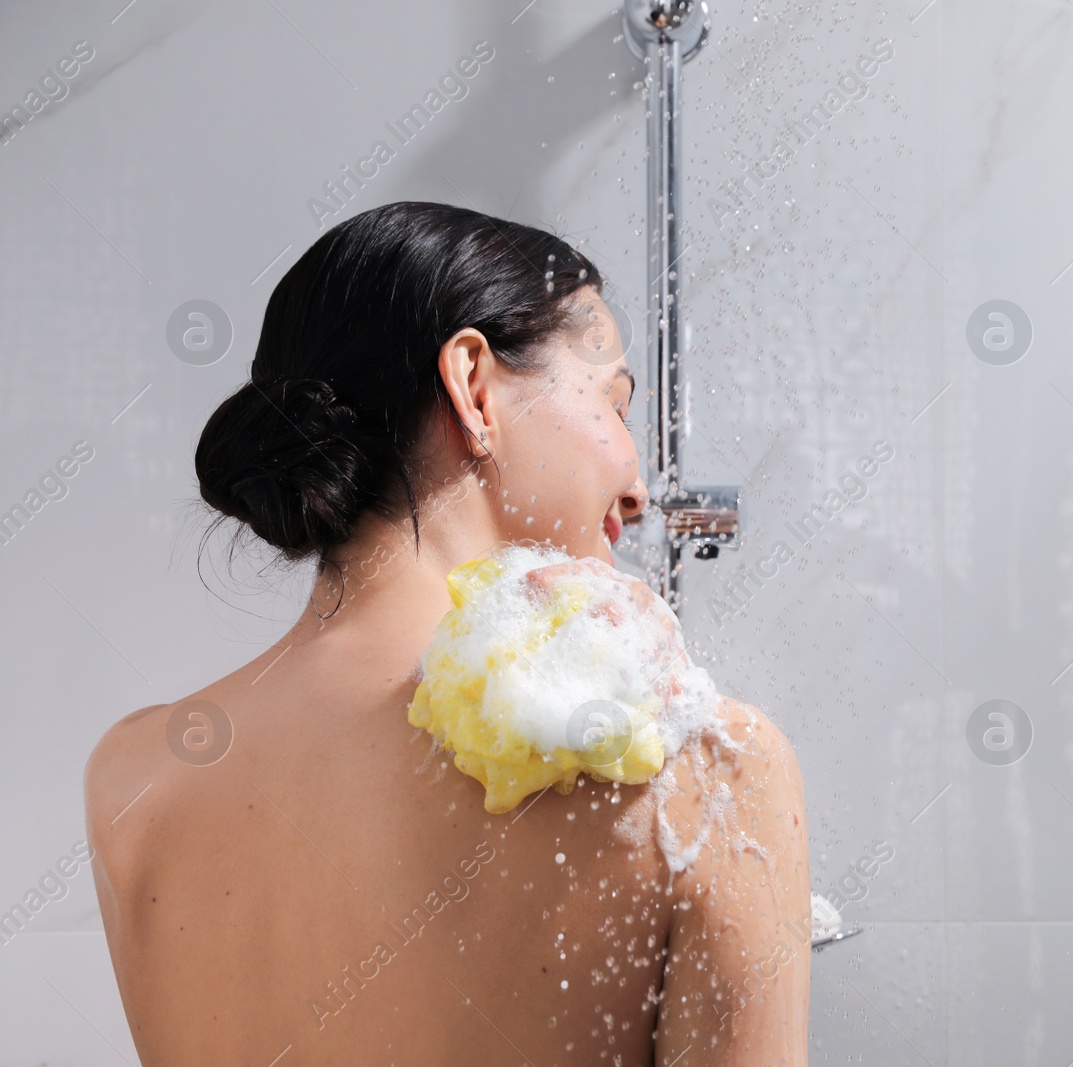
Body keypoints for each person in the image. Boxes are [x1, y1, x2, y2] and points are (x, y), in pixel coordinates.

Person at [81, 201, 809, 1065]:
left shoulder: (137, 775)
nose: (638, 489)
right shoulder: (703, 770)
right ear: (472, 386)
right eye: (610, 405)